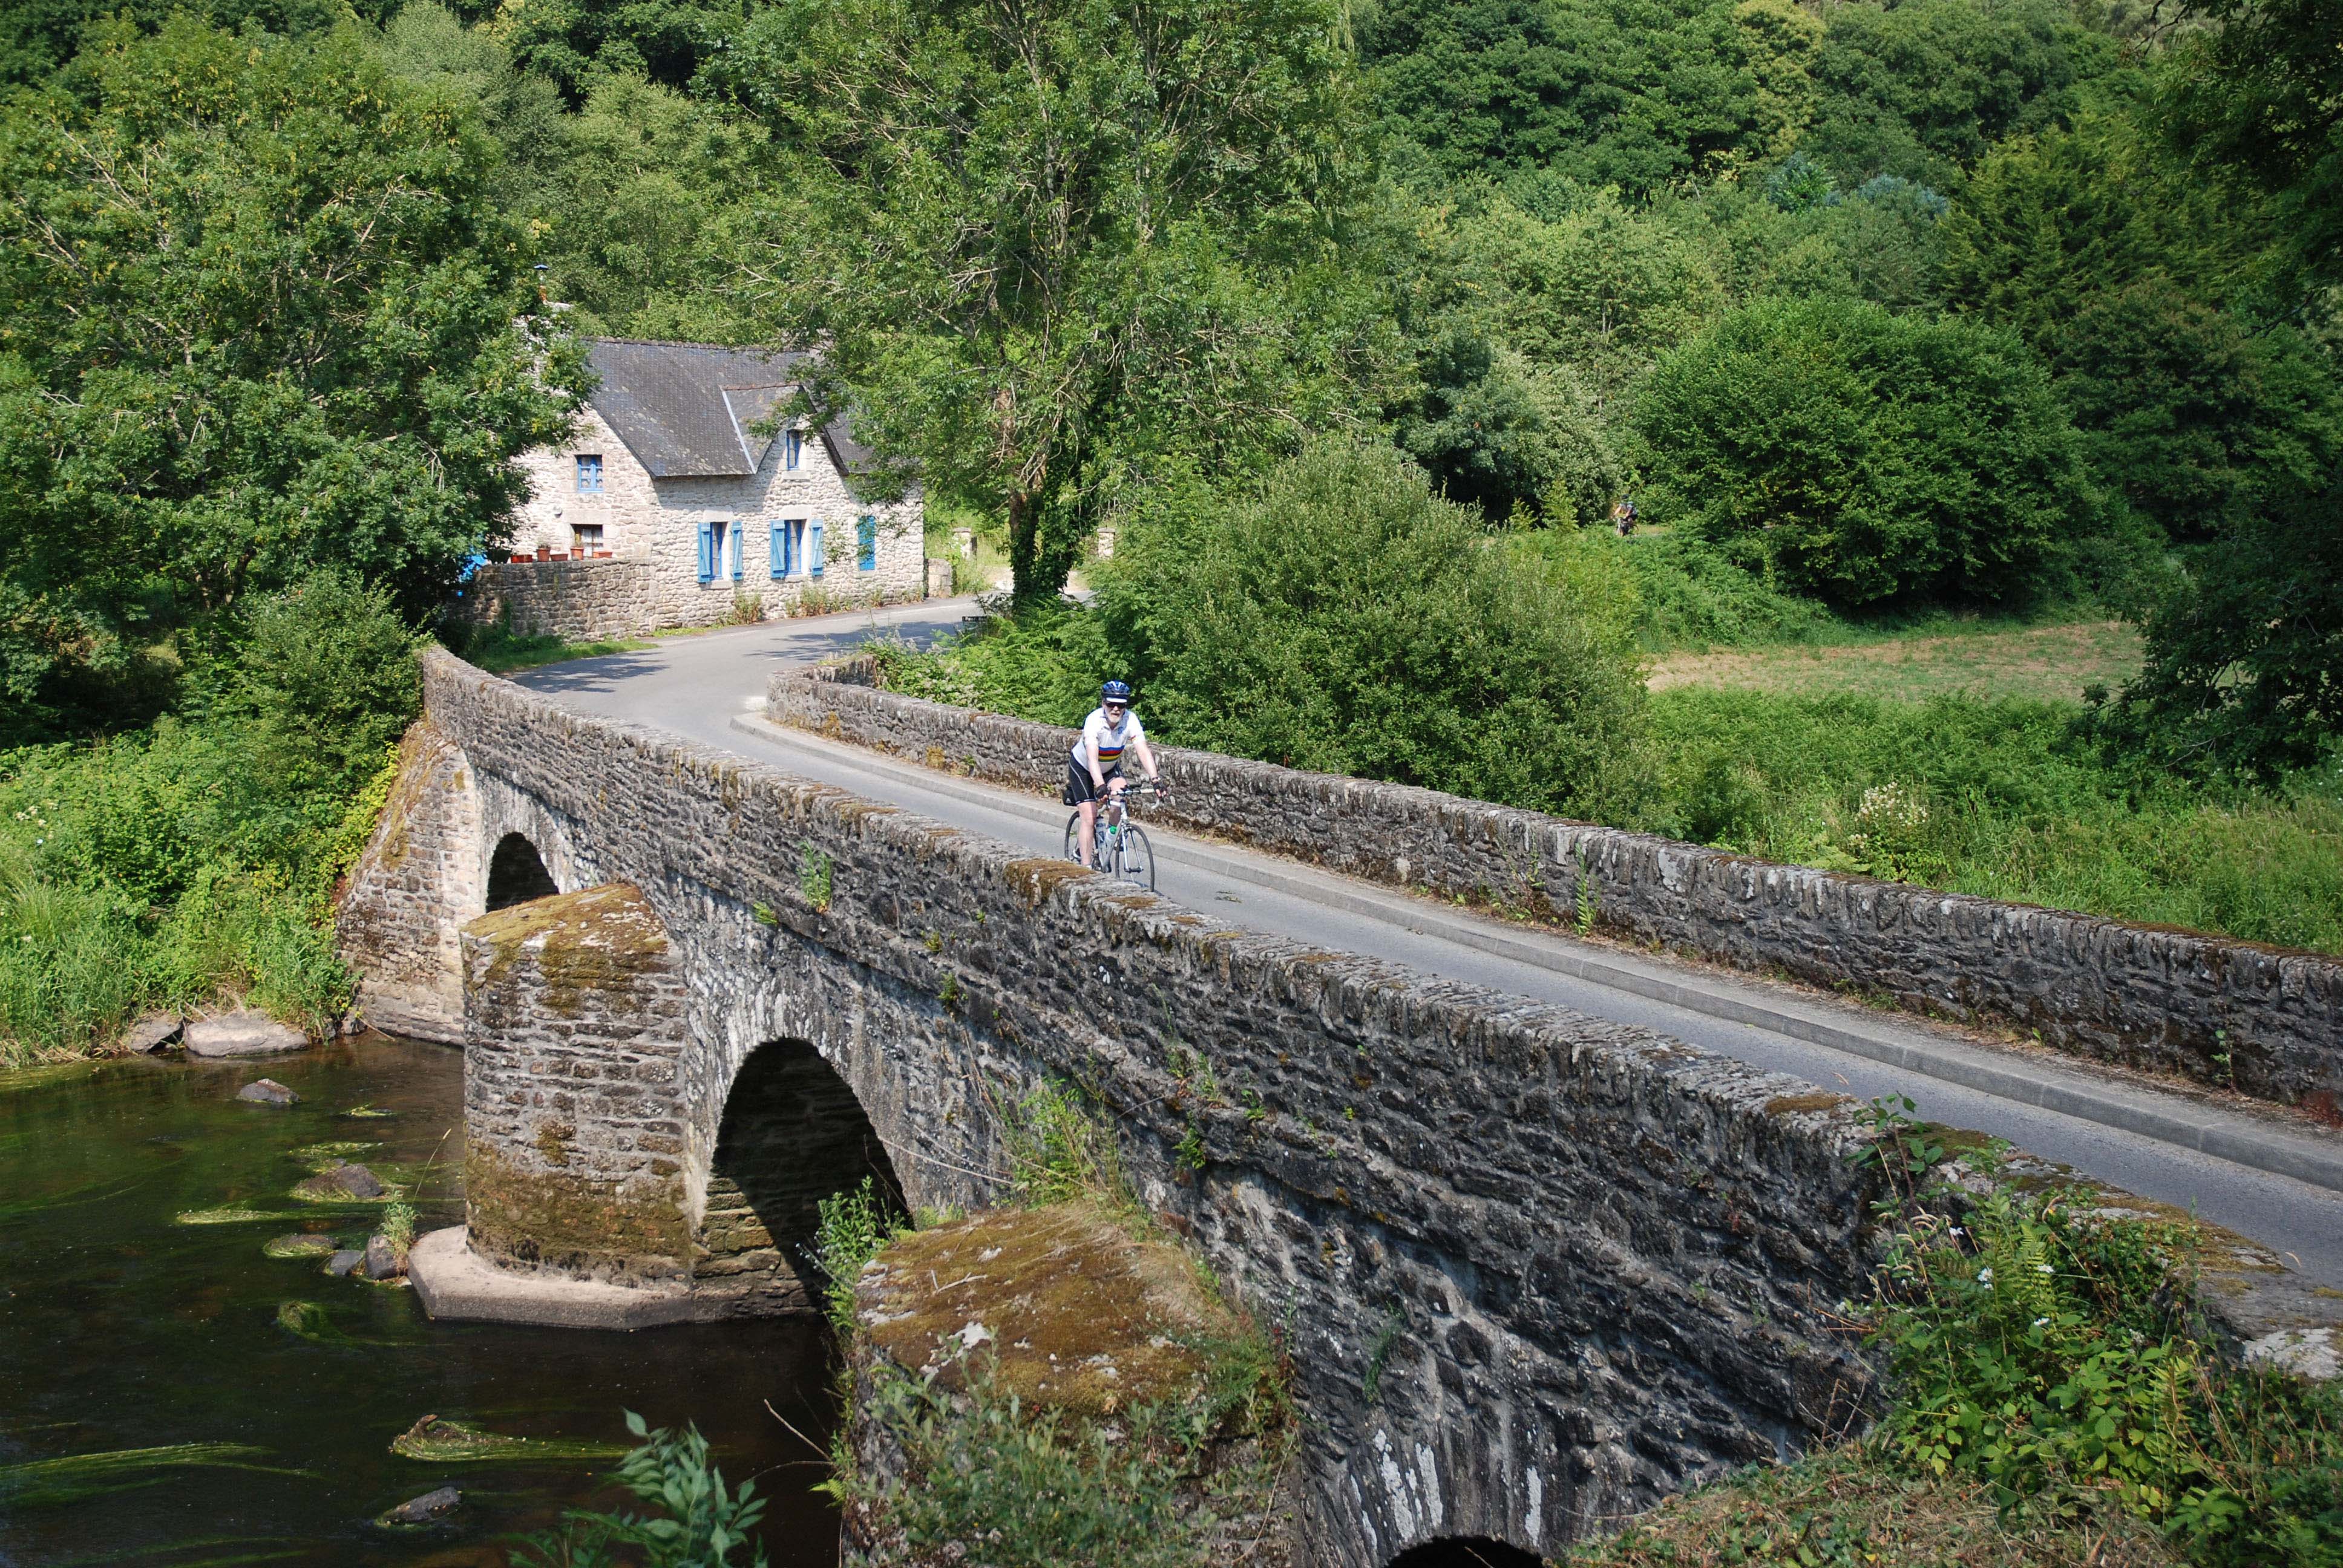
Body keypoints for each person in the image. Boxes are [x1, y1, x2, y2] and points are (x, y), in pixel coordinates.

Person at [1066, 680, 1164, 866]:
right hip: (1084, 768)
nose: (1116, 709)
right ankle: (1086, 871)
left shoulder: (1130, 720)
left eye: (1121, 705)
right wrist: (1100, 786)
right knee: (1090, 816)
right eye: (1111, 704)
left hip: (1109, 767)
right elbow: (1092, 759)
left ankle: (1108, 840)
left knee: (1120, 798)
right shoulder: (1094, 721)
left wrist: (1156, 780)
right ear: (1104, 703)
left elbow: (1142, 750)